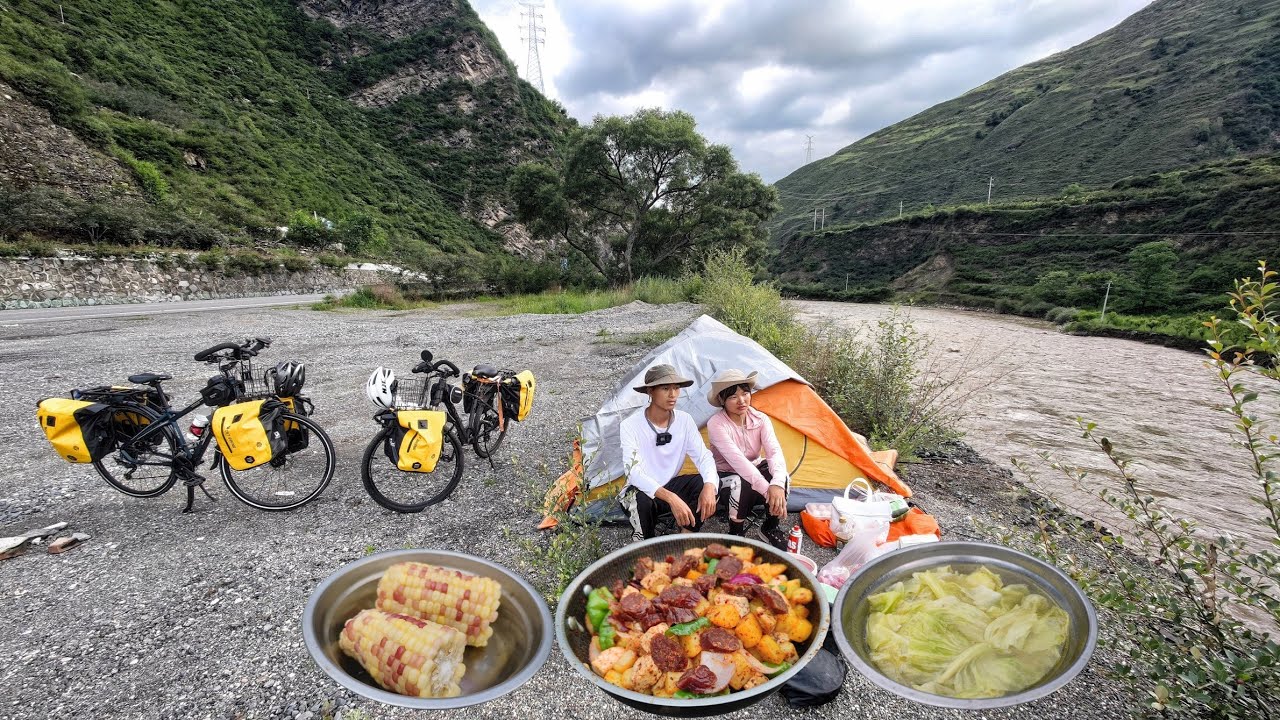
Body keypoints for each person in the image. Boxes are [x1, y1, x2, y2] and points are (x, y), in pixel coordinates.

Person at [618, 363, 720, 542]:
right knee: (641, 501)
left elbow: (704, 457)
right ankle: (645, 548)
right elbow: (633, 473)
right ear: (650, 391)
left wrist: (710, 486)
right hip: (638, 491)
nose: (673, 394)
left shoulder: (684, 420)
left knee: (706, 482)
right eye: (665, 388)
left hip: (668, 484)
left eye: (676, 388)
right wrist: (672, 498)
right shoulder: (630, 425)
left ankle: (685, 539)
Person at [705, 369, 790, 549]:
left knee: (780, 475)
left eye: (745, 393)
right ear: (722, 400)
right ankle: (736, 533)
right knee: (740, 481)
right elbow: (738, 462)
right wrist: (769, 492)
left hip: (753, 470)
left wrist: (777, 485)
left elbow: (774, 452)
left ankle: (770, 527)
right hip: (725, 475)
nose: (742, 400)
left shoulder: (761, 419)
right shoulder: (716, 424)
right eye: (733, 397)